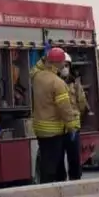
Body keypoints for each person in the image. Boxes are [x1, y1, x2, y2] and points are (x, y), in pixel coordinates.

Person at [31, 46, 79, 183]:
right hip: (54, 131)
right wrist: (71, 127)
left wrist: (45, 57)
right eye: (63, 62)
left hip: (40, 130)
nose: (64, 65)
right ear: (59, 63)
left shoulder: (37, 76)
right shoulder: (58, 83)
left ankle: (45, 186)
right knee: (54, 168)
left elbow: (35, 68)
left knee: (46, 163)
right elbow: (65, 108)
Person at [62, 52, 90, 180]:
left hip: (72, 128)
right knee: (60, 160)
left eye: (66, 65)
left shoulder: (75, 84)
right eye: (62, 65)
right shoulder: (54, 83)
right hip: (58, 128)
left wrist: (77, 118)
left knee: (74, 159)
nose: (64, 68)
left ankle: (75, 180)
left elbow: (82, 103)